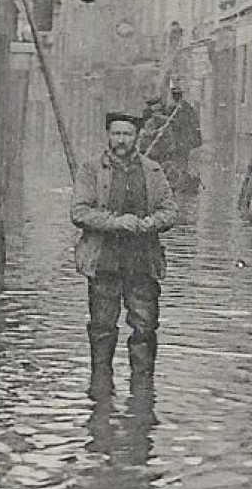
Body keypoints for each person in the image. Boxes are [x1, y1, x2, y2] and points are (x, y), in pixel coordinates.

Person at [72, 112, 177, 395]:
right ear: (108, 136)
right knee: (102, 327)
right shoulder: (91, 169)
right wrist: (116, 222)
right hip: (104, 260)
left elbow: (170, 211)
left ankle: (142, 393)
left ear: (137, 137)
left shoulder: (153, 171)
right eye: (116, 134)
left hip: (142, 262)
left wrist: (149, 223)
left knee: (145, 327)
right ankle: (100, 391)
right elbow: (79, 211)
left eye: (127, 134)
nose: (121, 140)